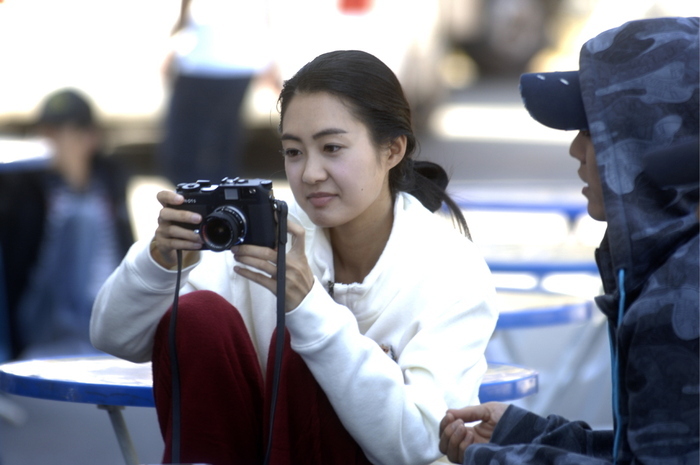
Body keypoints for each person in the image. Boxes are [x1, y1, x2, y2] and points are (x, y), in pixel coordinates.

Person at [90, 50, 499, 465]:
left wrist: (311, 311)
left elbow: (419, 444)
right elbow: (114, 336)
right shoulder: (268, 232)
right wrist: (159, 262)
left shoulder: (452, 270)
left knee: (305, 354)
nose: (310, 173)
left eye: (332, 148)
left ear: (392, 150)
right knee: (198, 316)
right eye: (293, 152)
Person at [439, 16, 699, 465]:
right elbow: (649, 451)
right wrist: (521, 435)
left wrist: (490, 461)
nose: (576, 150)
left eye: (594, 130)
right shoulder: (674, 269)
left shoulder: (676, 299)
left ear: (645, 138)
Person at [0, 88, 134, 359]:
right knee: (79, 220)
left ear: (90, 137)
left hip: (107, 312)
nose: (52, 143)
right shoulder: (23, 185)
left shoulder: (109, 178)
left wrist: (76, 179)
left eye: (63, 132)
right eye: (46, 133)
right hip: (48, 324)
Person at [157, 0, 279, 186]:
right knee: (222, 143)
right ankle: (220, 198)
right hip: (237, 64)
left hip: (201, 63)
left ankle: (195, 200)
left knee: (187, 145)